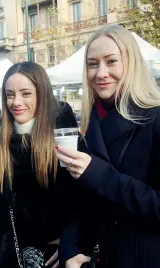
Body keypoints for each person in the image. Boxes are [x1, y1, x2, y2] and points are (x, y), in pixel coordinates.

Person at [57, 25, 160, 268]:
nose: (101, 72)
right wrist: (69, 245)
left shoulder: (155, 119)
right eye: (93, 64)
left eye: (111, 61)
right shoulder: (92, 121)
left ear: (131, 63)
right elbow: (88, 202)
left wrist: (99, 175)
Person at [0, 62, 79, 268]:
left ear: (42, 94)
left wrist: (74, 242)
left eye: (26, 93)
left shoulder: (66, 137)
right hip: (11, 254)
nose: (16, 102)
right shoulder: (1, 140)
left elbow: (88, 200)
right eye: (10, 95)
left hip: (58, 255)